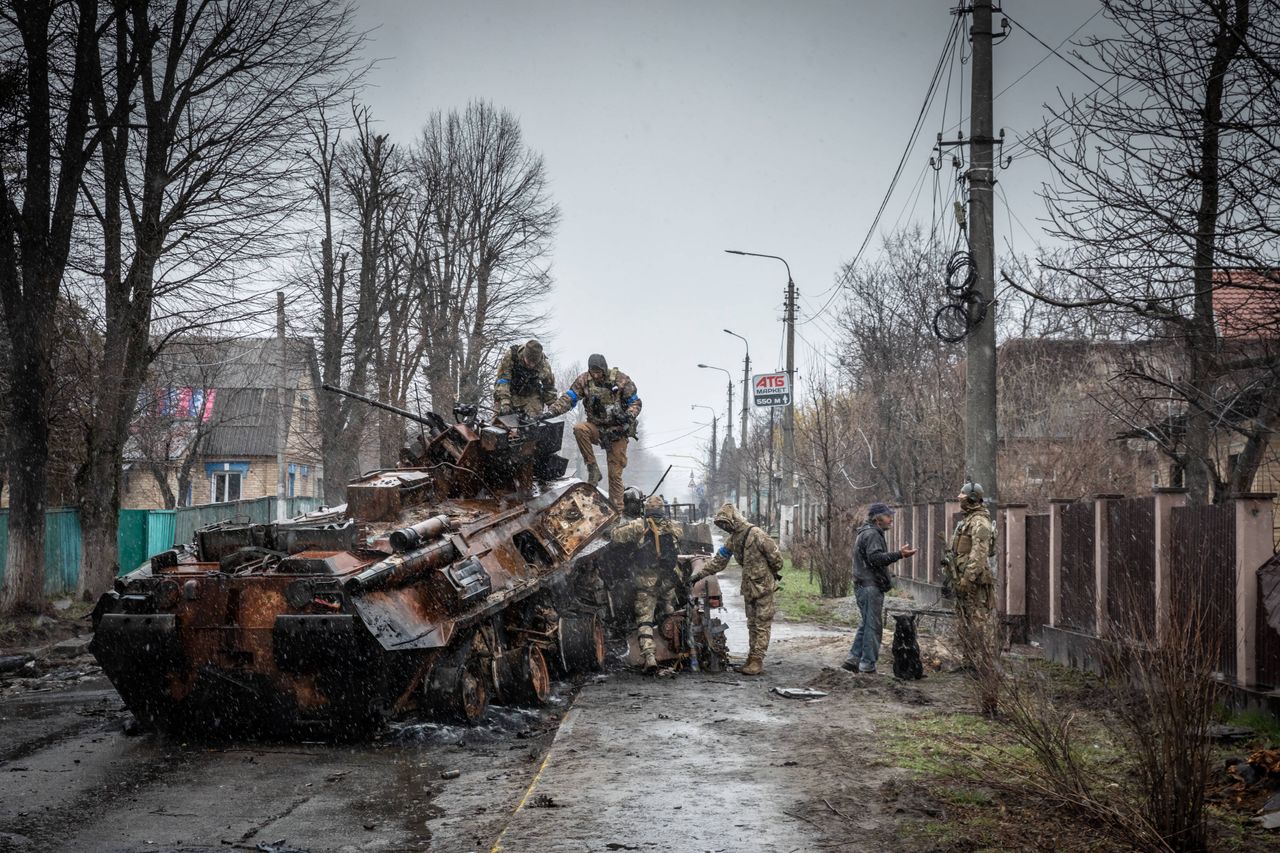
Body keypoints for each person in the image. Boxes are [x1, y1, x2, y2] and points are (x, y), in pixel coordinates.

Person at [689, 502, 783, 676]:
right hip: (749, 587)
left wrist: (770, 572)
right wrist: (699, 575)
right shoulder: (733, 539)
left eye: (725, 524)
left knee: (761, 624)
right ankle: (752, 657)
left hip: (763, 588)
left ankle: (756, 660)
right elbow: (719, 560)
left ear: (733, 520)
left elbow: (776, 558)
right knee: (752, 624)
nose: (724, 528)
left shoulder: (756, 534)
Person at [545, 353, 641, 511]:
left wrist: (628, 415)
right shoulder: (584, 380)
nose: (596, 375)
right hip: (597, 428)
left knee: (615, 474)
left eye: (599, 372)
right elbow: (569, 398)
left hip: (618, 432)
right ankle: (593, 469)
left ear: (604, 370)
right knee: (579, 429)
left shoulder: (621, 380)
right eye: (593, 372)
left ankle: (616, 511)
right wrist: (552, 411)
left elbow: (636, 402)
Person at [608, 494, 682, 673]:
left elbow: (615, 535)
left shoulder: (639, 525)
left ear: (646, 510)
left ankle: (649, 656)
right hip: (668, 581)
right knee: (670, 610)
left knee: (644, 620)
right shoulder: (675, 526)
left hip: (647, 582)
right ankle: (676, 640)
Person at [843, 503, 916, 674]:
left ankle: (853, 660)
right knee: (873, 627)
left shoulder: (867, 532)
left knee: (866, 624)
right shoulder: (872, 534)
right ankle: (867, 665)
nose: (891, 519)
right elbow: (875, 558)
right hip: (870, 587)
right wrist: (899, 554)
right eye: (887, 516)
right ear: (877, 519)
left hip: (864, 586)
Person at [946, 481, 998, 713]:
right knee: (964, 622)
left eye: (963, 496)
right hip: (962, 580)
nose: (959, 498)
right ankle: (968, 662)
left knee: (980, 623)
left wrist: (968, 578)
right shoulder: (967, 521)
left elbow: (979, 553)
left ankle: (985, 666)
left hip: (975, 584)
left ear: (972, 498)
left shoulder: (980, 523)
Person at [493, 339, 557, 418]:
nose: (531, 365)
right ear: (524, 356)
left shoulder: (544, 366)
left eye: (534, 363)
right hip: (508, 390)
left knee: (534, 422)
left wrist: (553, 408)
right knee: (501, 419)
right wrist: (505, 403)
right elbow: (503, 381)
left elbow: (549, 388)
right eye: (529, 361)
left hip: (530, 394)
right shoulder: (511, 356)